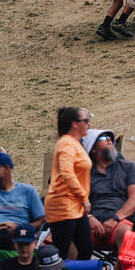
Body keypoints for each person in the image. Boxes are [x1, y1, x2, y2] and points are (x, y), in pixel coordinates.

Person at [44, 106, 93, 261]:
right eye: (86, 121)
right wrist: (83, 197)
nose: (89, 124)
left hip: (74, 205)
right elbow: (67, 172)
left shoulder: (74, 143)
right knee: (61, 252)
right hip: (64, 205)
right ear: (74, 124)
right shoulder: (66, 143)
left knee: (86, 248)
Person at [85, 130, 135, 249]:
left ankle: (125, 266)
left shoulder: (128, 167)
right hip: (92, 223)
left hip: (120, 221)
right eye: (102, 138)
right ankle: (73, 267)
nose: (109, 140)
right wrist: (89, 218)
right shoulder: (85, 172)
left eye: (109, 137)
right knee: (71, 234)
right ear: (93, 149)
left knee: (126, 233)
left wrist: (115, 219)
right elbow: (75, 200)